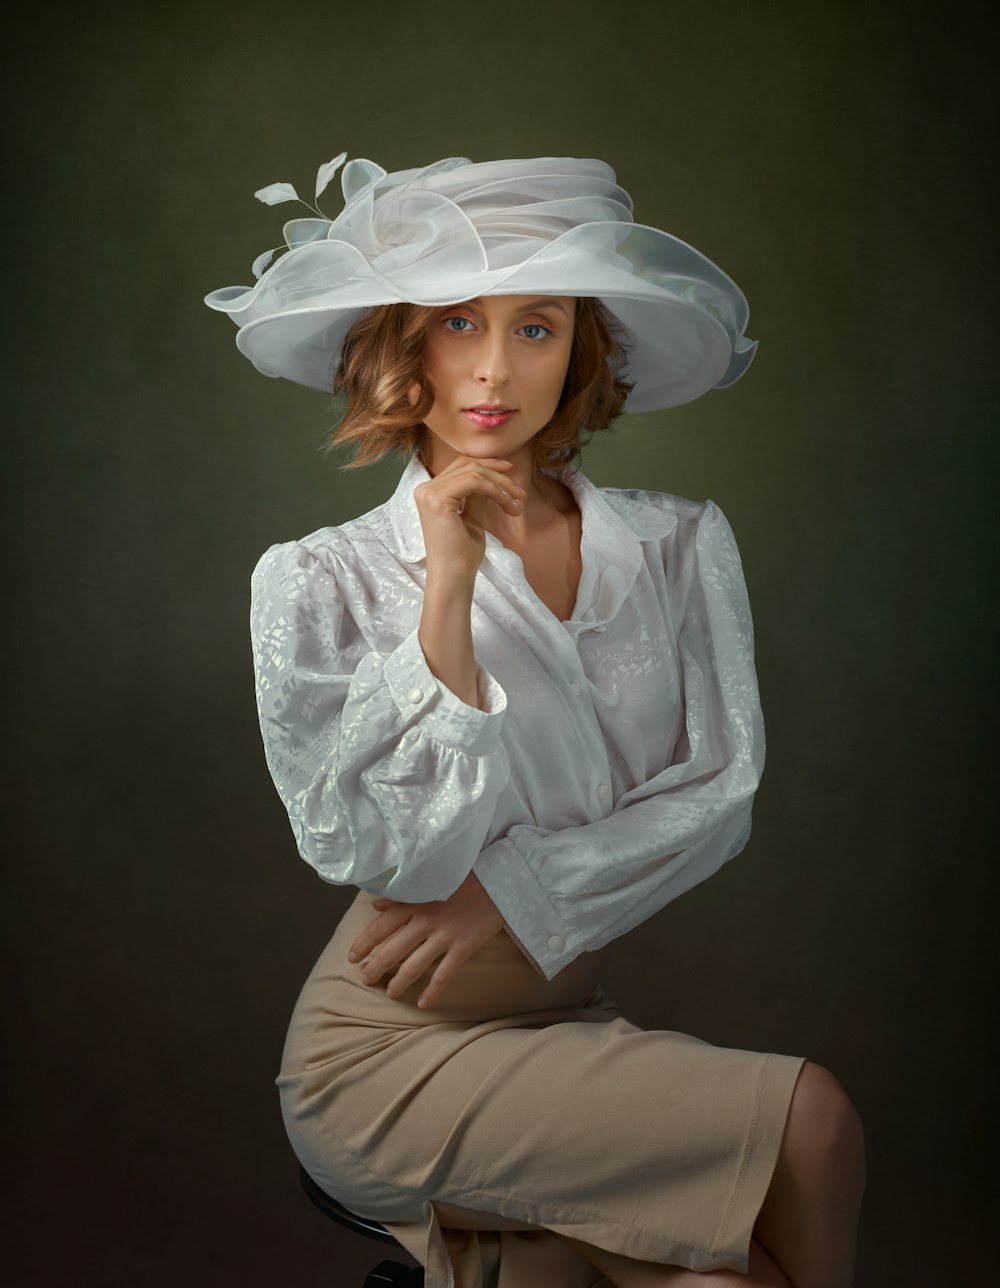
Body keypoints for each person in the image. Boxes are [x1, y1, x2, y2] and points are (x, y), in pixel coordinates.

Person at [206, 153, 866, 1288]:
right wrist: (447, 587)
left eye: (537, 327)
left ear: (584, 347)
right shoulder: (322, 579)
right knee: (811, 1121)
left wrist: (515, 893)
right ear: (402, 345)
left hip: (563, 1029)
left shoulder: (674, 544)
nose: (494, 369)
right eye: (458, 321)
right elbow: (371, 852)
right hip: (379, 1060)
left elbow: (721, 791)